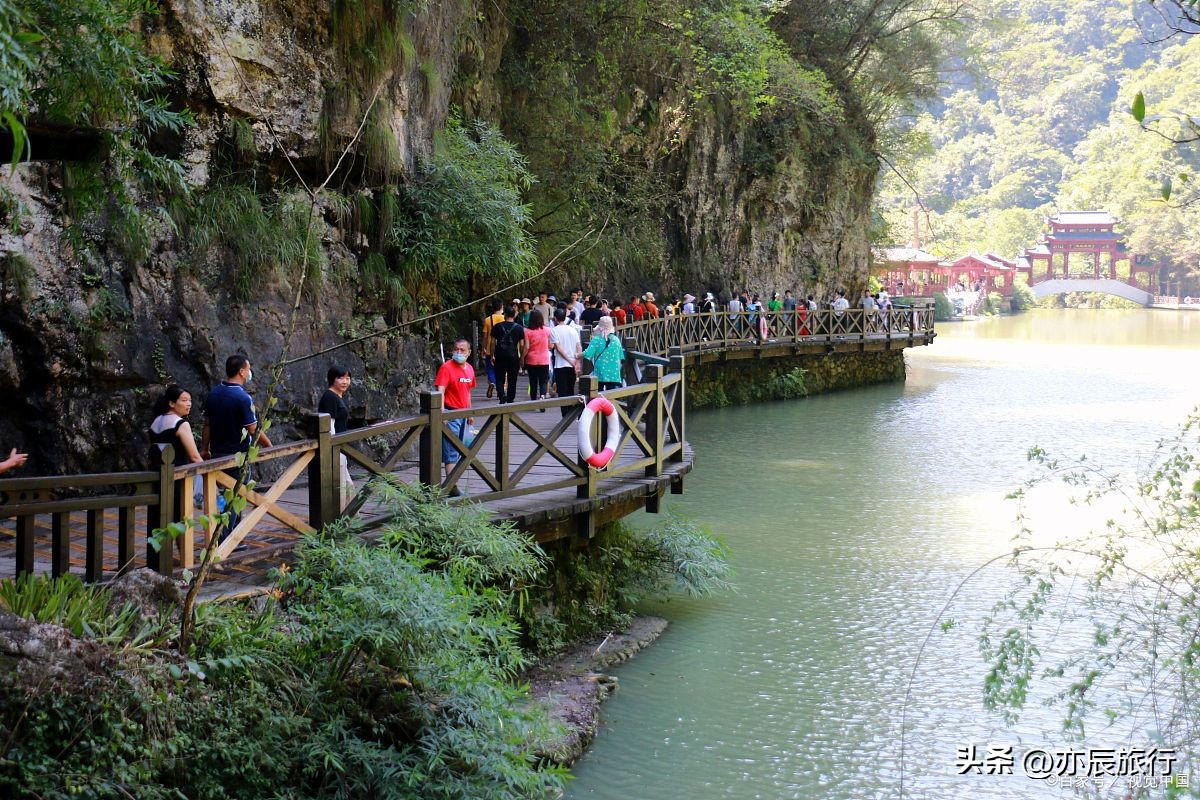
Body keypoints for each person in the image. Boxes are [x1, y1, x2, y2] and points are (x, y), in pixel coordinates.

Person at [202, 354, 272, 541]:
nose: (250, 373)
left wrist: (204, 449)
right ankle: (224, 540)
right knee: (236, 497)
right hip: (237, 455)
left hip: (217, 452)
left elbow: (207, 424)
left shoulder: (214, 393)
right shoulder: (242, 398)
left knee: (226, 496)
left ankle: (232, 538)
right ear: (241, 372)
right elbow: (252, 428)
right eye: (248, 369)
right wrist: (268, 445)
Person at [434, 340, 475, 497]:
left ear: (469, 353)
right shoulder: (446, 368)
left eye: (462, 350)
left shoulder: (469, 369)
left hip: (463, 414)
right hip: (451, 414)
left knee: (461, 449)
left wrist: (469, 412)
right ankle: (452, 487)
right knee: (450, 451)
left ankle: (452, 484)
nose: (458, 352)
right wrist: (442, 411)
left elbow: (468, 391)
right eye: (456, 349)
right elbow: (441, 389)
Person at [318, 364, 354, 503]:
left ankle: (349, 514)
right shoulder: (330, 397)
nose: (345, 381)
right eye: (341, 378)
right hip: (335, 447)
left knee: (347, 486)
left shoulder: (337, 397)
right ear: (333, 379)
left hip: (340, 446)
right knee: (341, 486)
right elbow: (329, 425)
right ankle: (340, 514)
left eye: (347, 378)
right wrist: (333, 447)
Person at [549, 307, 582, 416]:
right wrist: (577, 362)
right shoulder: (573, 330)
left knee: (562, 392)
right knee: (571, 390)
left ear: (555, 318)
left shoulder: (554, 330)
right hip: (572, 365)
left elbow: (558, 348)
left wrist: (570, 360)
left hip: (561, 365)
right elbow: (579, 347)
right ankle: (571, 415)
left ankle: (565, 416)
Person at [491, 305, 525, 404]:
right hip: (513, 356)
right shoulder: (519, 328)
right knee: (512, 378)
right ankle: (510, 398)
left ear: (504, 315)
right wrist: (521, 357)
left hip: (500, 355)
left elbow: (492, 342)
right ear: (514, 315)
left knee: (499, 377)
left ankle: (501, 394)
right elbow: (522, 344)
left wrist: (492, 355)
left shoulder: (497, 326)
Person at [582, 316, 625, 391]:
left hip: (599, 372)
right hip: (613, 373)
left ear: (599, 328)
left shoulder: (596, 339)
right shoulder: (616, 340)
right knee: (611, 394)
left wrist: (578, 355)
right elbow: (621, 356)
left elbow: (588, 353)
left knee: (598, 393)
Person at [522, 308, 552, 406]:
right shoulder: (547, 330)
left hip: (531, 360)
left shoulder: (527, 331)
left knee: (533, 381)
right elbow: (550, 346)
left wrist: (522, 358)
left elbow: (526, 347)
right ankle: (542, 396)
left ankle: (533, 401)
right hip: (544, 359)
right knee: (543, 381)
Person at [481, 300, 504, 399]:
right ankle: (500, 390)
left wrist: (483, 348)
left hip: (490, 348)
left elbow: (485, 336)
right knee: (501, 370)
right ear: (501, 307)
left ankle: (492, 382)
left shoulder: (488, 319)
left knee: (490, 368)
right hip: (502, 348)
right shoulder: (505, 318)